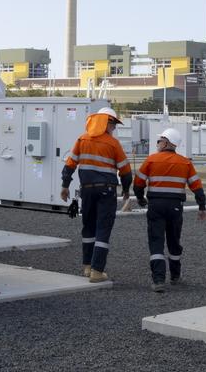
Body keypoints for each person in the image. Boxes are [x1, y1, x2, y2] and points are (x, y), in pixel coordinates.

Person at [61, 107, 132, 283]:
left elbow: (70, 165)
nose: (114, 128)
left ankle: (86, 266)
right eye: (113, 124)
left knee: (88, 227)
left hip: (87, 189)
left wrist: (65, 186)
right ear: (105, 122)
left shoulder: (81, 139)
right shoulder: (112, 144)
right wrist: (125, 190)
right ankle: (97, 271)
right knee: (103, 228)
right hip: (106, 190)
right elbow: (125, 170)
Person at [133, 128, 206, 293]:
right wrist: (202, 206)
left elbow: (138, 183)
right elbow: (197, 187)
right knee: (174, 241)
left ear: (166, 142)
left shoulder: (151, 160)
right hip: (175, 207)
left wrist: (140, 198)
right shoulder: (185, 162)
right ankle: (175, 275)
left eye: (159, 140)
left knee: (156, 242)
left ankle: (158, 280)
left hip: (155, 205)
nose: (158, 143)